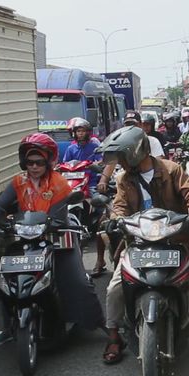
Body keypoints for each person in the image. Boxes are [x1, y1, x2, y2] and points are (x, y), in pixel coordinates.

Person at [96, 126, 189, 364]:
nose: (120, 162)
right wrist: (114, 220)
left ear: (136, 152)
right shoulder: (124, 178)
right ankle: (114, 336)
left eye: (123, 157)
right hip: (138, 243)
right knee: (115, 289)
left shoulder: (171, 169)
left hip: (175, 240)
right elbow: (119, 206)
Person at [0, 133, 105, 346]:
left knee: (77, 281)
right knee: (7, 279)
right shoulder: (18, 182)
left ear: (48, 162)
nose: (34, 166)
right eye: (29, 162)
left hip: (56, 237)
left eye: (39, 162)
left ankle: (101, 324)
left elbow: (60, 213)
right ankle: (7, 328)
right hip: (24, 238)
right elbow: (0, 205)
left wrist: (53, 223)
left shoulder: (59, 183)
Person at [61, 117, 108, 276]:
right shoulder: (71, 148)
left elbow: (101, 162)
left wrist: (95, 165)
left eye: (82, 131)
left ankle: (103, 222)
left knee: (101, 202)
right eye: (78, 131)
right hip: (74, 181)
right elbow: (65, 163)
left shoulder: (94, 146)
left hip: (91, 182)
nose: (80, 134)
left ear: (88, 133)